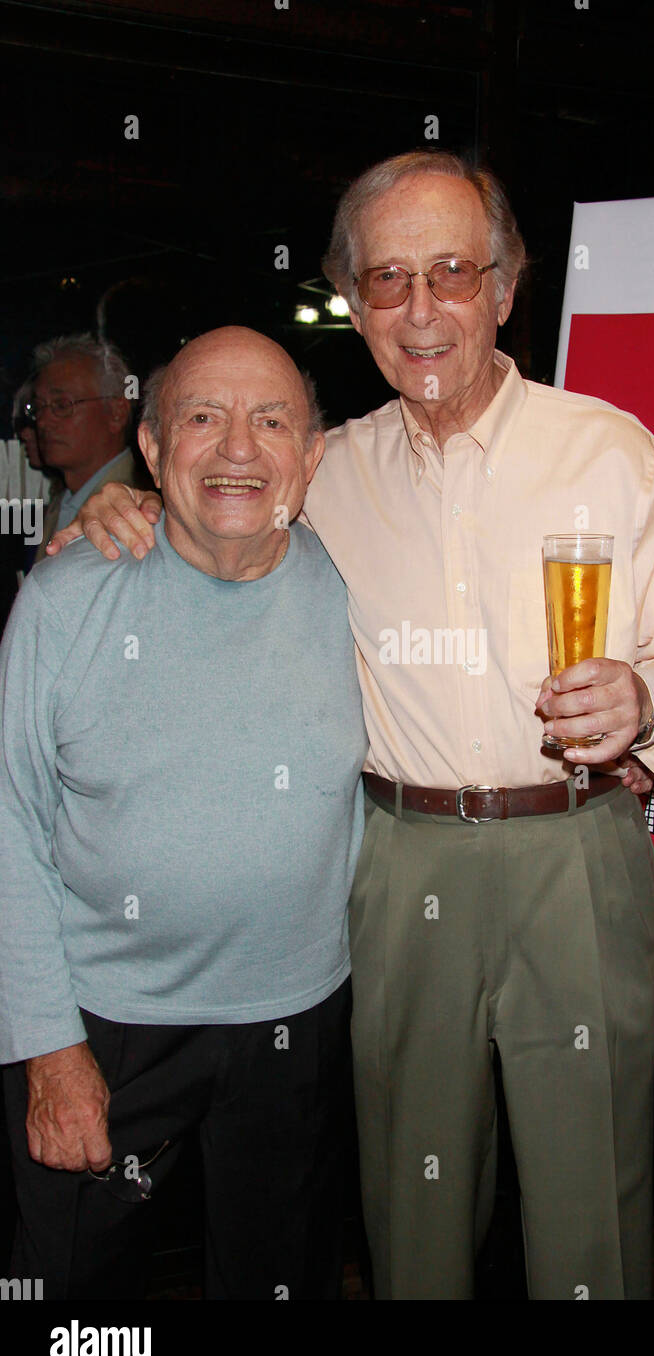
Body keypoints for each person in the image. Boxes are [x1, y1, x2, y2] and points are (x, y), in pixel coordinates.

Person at [51, 151, 654, 1301]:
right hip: (395, 860)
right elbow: (211, 509)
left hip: (575, 849)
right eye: (386, 281)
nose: (420, 311)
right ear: (352, 299)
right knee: (406, 1203)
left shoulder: (608, 449)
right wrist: (120, 504)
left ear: (504, 286)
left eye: (450, 274)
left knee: (593, 1203)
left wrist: (649, 699)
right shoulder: (326, 470)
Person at [0, 327, 367, 1299]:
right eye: (203, 417)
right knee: (76, 1299)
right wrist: (48, 1047)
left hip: (297, 1018)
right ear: (153, 450)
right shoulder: (68, 593)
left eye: (270, 420)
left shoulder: (359, 589)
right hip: (107, 1026)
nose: (238, 447)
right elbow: (9, 823)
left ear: (312, 455)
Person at [26, 333, 150, 560]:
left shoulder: (142, 506)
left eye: (62, 405)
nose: (43, 422)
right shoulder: (62, 502)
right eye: (38, 407)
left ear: (116, 413)